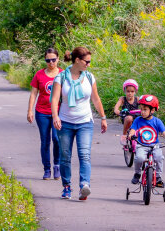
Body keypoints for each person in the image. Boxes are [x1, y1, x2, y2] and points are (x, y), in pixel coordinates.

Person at [51, 47, 107, 201]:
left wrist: (103, 117)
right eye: (86, 61)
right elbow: (55, 99)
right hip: (65, 123)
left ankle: (84, 186)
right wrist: (55, 116)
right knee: (65, 156)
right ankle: (67, 187)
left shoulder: (89, 77)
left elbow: (96, 99)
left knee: (84, 155)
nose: (88, 65)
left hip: (85, 122)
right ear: (77, 60)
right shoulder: (60, 78)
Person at [27, 48, 63, 180]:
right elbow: (33, 93)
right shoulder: (39, 74)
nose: (51, 62)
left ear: (58, 59)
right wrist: (30, 110)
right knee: (45, 141)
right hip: (42, 112)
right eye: (48, 60)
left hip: (58, 113)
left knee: (57, 139)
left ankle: (57, 166)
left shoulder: (62, 74)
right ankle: (47, 169)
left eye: (53, 59)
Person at [128, 95, 165, 188]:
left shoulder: (157, 121)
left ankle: (158, 177)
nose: (142, 112)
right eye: (141, 109)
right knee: (139, 158)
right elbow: (133, 129)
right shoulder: (138, 120)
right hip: (142, 145)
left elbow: (164, 132)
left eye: (145, 109)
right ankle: (137, 173)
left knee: (159, 158)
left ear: (152, 110)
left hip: (155, 145)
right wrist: (131, 135)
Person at [113, 79, 140, 144]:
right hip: (126, 117)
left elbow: (144, 104)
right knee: (129, 118)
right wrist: (117, 111)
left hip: (136, 117)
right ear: (124, 91)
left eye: (132, 91)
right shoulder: (122, 99)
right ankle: (124, 135)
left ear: (135, 92)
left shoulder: (137, 99)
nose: (130, 93)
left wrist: (151, 107)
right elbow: (116, 107)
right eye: (128, 91)